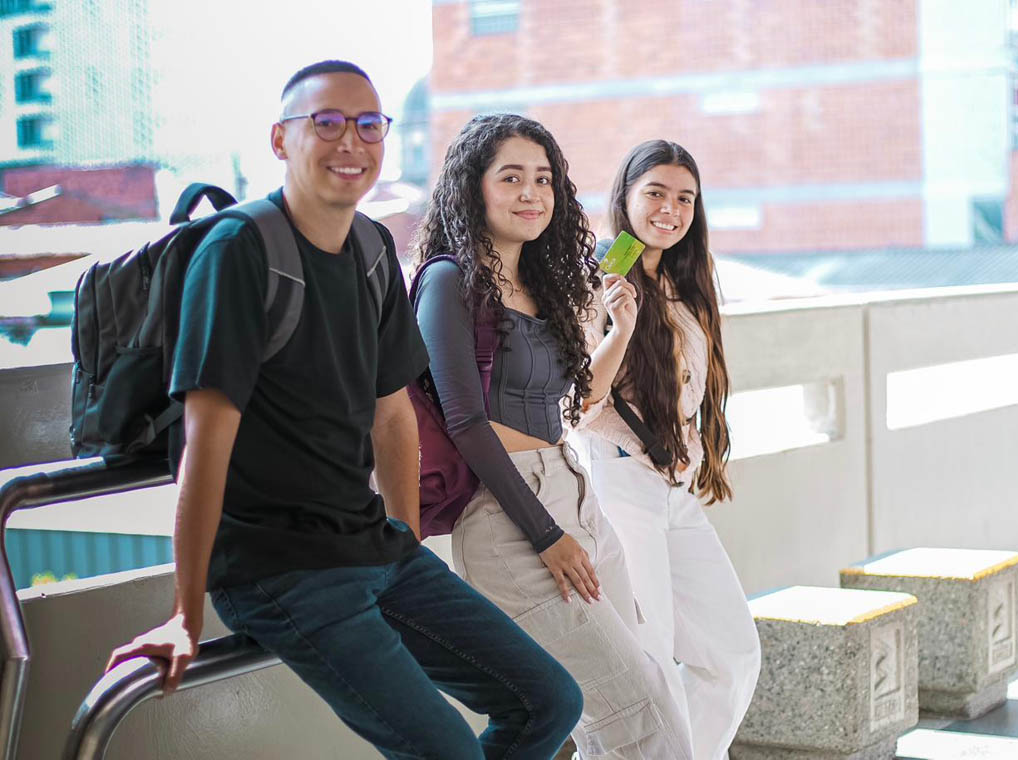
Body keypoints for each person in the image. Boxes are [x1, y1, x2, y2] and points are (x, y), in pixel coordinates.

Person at [105, 61, 582, 760]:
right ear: (280, 140)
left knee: (549, 703)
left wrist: (408, 548)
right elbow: (204, 443)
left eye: (368, 125)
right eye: (325, 123)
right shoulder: (238, 251)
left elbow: (393, 416)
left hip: (373, 546)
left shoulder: (369, 248)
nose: (350, 142)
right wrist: (183, 612)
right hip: (282, 569)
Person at [413, 114, 692, 759]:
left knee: (630, 704)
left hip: (574, 491)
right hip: (512, 517)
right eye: (511, 177)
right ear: (472, 186)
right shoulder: (448, 281)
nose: (531, 192)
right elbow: (465, 421)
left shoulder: (542, 286)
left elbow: (570, 407)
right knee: (646, 722)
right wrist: (546, 535)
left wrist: (617, 333)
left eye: (543, 179)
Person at [571, 139, 762, 760]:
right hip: (620, 486)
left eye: (685, 198)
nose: (669, 209)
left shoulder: (686, 282)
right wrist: (616, 325)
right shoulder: (600, 277)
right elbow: (579, 405)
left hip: (674, 492)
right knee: (647, 665)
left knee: (732, 655)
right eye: (654, 192)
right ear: (624, 198)